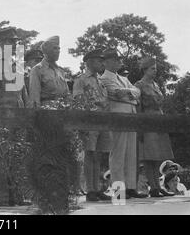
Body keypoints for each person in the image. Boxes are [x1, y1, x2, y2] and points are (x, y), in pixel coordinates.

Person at [0, 27, 30, 207]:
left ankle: (18, 194)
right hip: (1, 116)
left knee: (19, 155)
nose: (14, 44)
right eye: (10, 41)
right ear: (1, 44)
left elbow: (23, 91)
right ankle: (3, 196)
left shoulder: (18, 64)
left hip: (19, 114)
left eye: (15, 42)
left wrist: (26, 112)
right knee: (2, 156)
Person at [99, 49, 146, 199]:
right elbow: (114, 92)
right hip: (118, 117)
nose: (118, 61)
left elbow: (137, 91)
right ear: (106, 62)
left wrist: (128, 94)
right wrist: (131, 94)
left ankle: (131, 187)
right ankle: (119, 191)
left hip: (130, 115)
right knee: (118, 153)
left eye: (118, 59)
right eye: (114, 59)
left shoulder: (123, 78)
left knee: (131, 153)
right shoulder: (104, 78)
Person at [73, 49, 112, 202]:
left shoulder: (101, 81)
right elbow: (78, 100)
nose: (101, 63)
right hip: (89, 121)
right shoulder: (81, 80)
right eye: (98, 61)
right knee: (90, 154)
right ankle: (90, 189)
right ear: (89, 62)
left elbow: (107, 102)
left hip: (102, 121)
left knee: (99, 155)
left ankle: (98, 188)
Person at [134, 57, 174, 197]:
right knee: (148, 157)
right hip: (147, 122)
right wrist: (140, 128)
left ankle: (157, 185)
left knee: (157, 156)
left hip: (159, 122)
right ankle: (153, 187)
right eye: (152, 69)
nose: (155, 71)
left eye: (156, 68)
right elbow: (138, 108)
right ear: (145, 70)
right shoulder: (139, 85)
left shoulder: (156, 85)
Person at [29, 36, 69, 107]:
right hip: (46, 112)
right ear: (46, 51)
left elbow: (67, 95)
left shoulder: (61, 71)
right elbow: (34, 99)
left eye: (59, 48)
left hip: (63, 111)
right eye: (55, 48)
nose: (58, 51)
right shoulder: (37, 70)